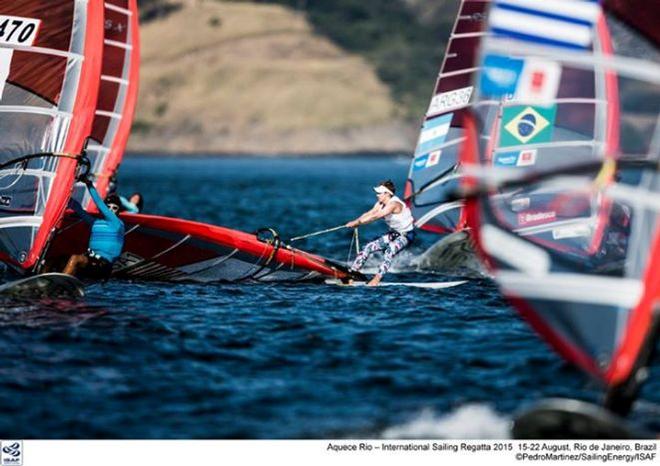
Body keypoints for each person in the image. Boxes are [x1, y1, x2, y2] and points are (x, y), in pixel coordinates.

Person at [345, 180, 415, 286]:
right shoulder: (380, 203)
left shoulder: (394, 204)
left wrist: (358, 222)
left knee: (389, 250)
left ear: (387, 193)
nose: (377, 195)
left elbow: (376, 216)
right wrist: (356, 222)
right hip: (394, 234)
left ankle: (377, 279)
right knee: (368, 247)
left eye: (379, 193)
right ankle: (352, 274)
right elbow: (370, 213)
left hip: (406, 235)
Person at [63, 179, 125, 279]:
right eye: (108, 207)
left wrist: (89, 185)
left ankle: (62, 283)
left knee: (75, 259)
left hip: (104, 265)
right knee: (57, 260)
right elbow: (78, 209)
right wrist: (64, 195)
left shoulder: (117, 223)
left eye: (114, 208)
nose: (110, 210)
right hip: (91, 260)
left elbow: (99, 203)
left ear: (118, 211)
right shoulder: (96, 223)